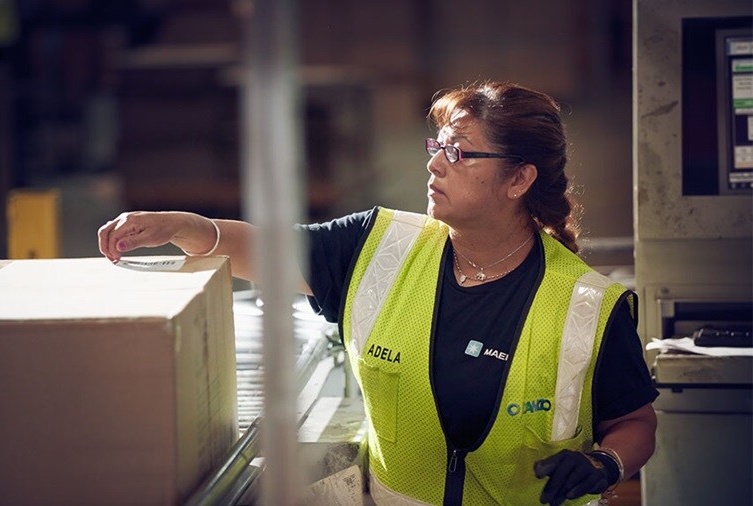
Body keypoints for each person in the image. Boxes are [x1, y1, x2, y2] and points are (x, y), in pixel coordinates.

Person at [97, 81, 658, 506]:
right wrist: (183, 226)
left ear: (519, 179)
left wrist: (605, 464)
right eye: (437, 146)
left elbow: (636, 423)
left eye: (459, 152)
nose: (434, 163)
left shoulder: (586, 304)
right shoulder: (381, 246)